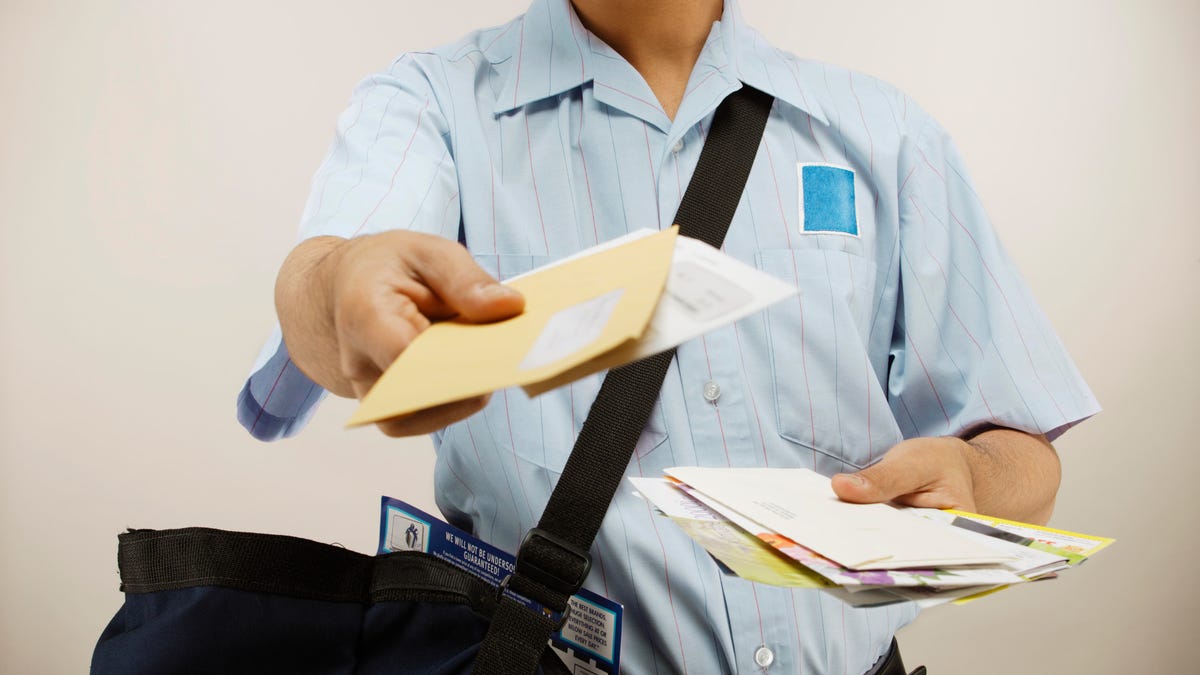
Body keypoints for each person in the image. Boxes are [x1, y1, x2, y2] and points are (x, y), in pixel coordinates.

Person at [238, 0, 1097, 672]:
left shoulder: (885, 133)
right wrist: (339, 285)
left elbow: (1025, 453)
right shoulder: (432, 104)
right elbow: (324, 289)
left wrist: (977, 479)